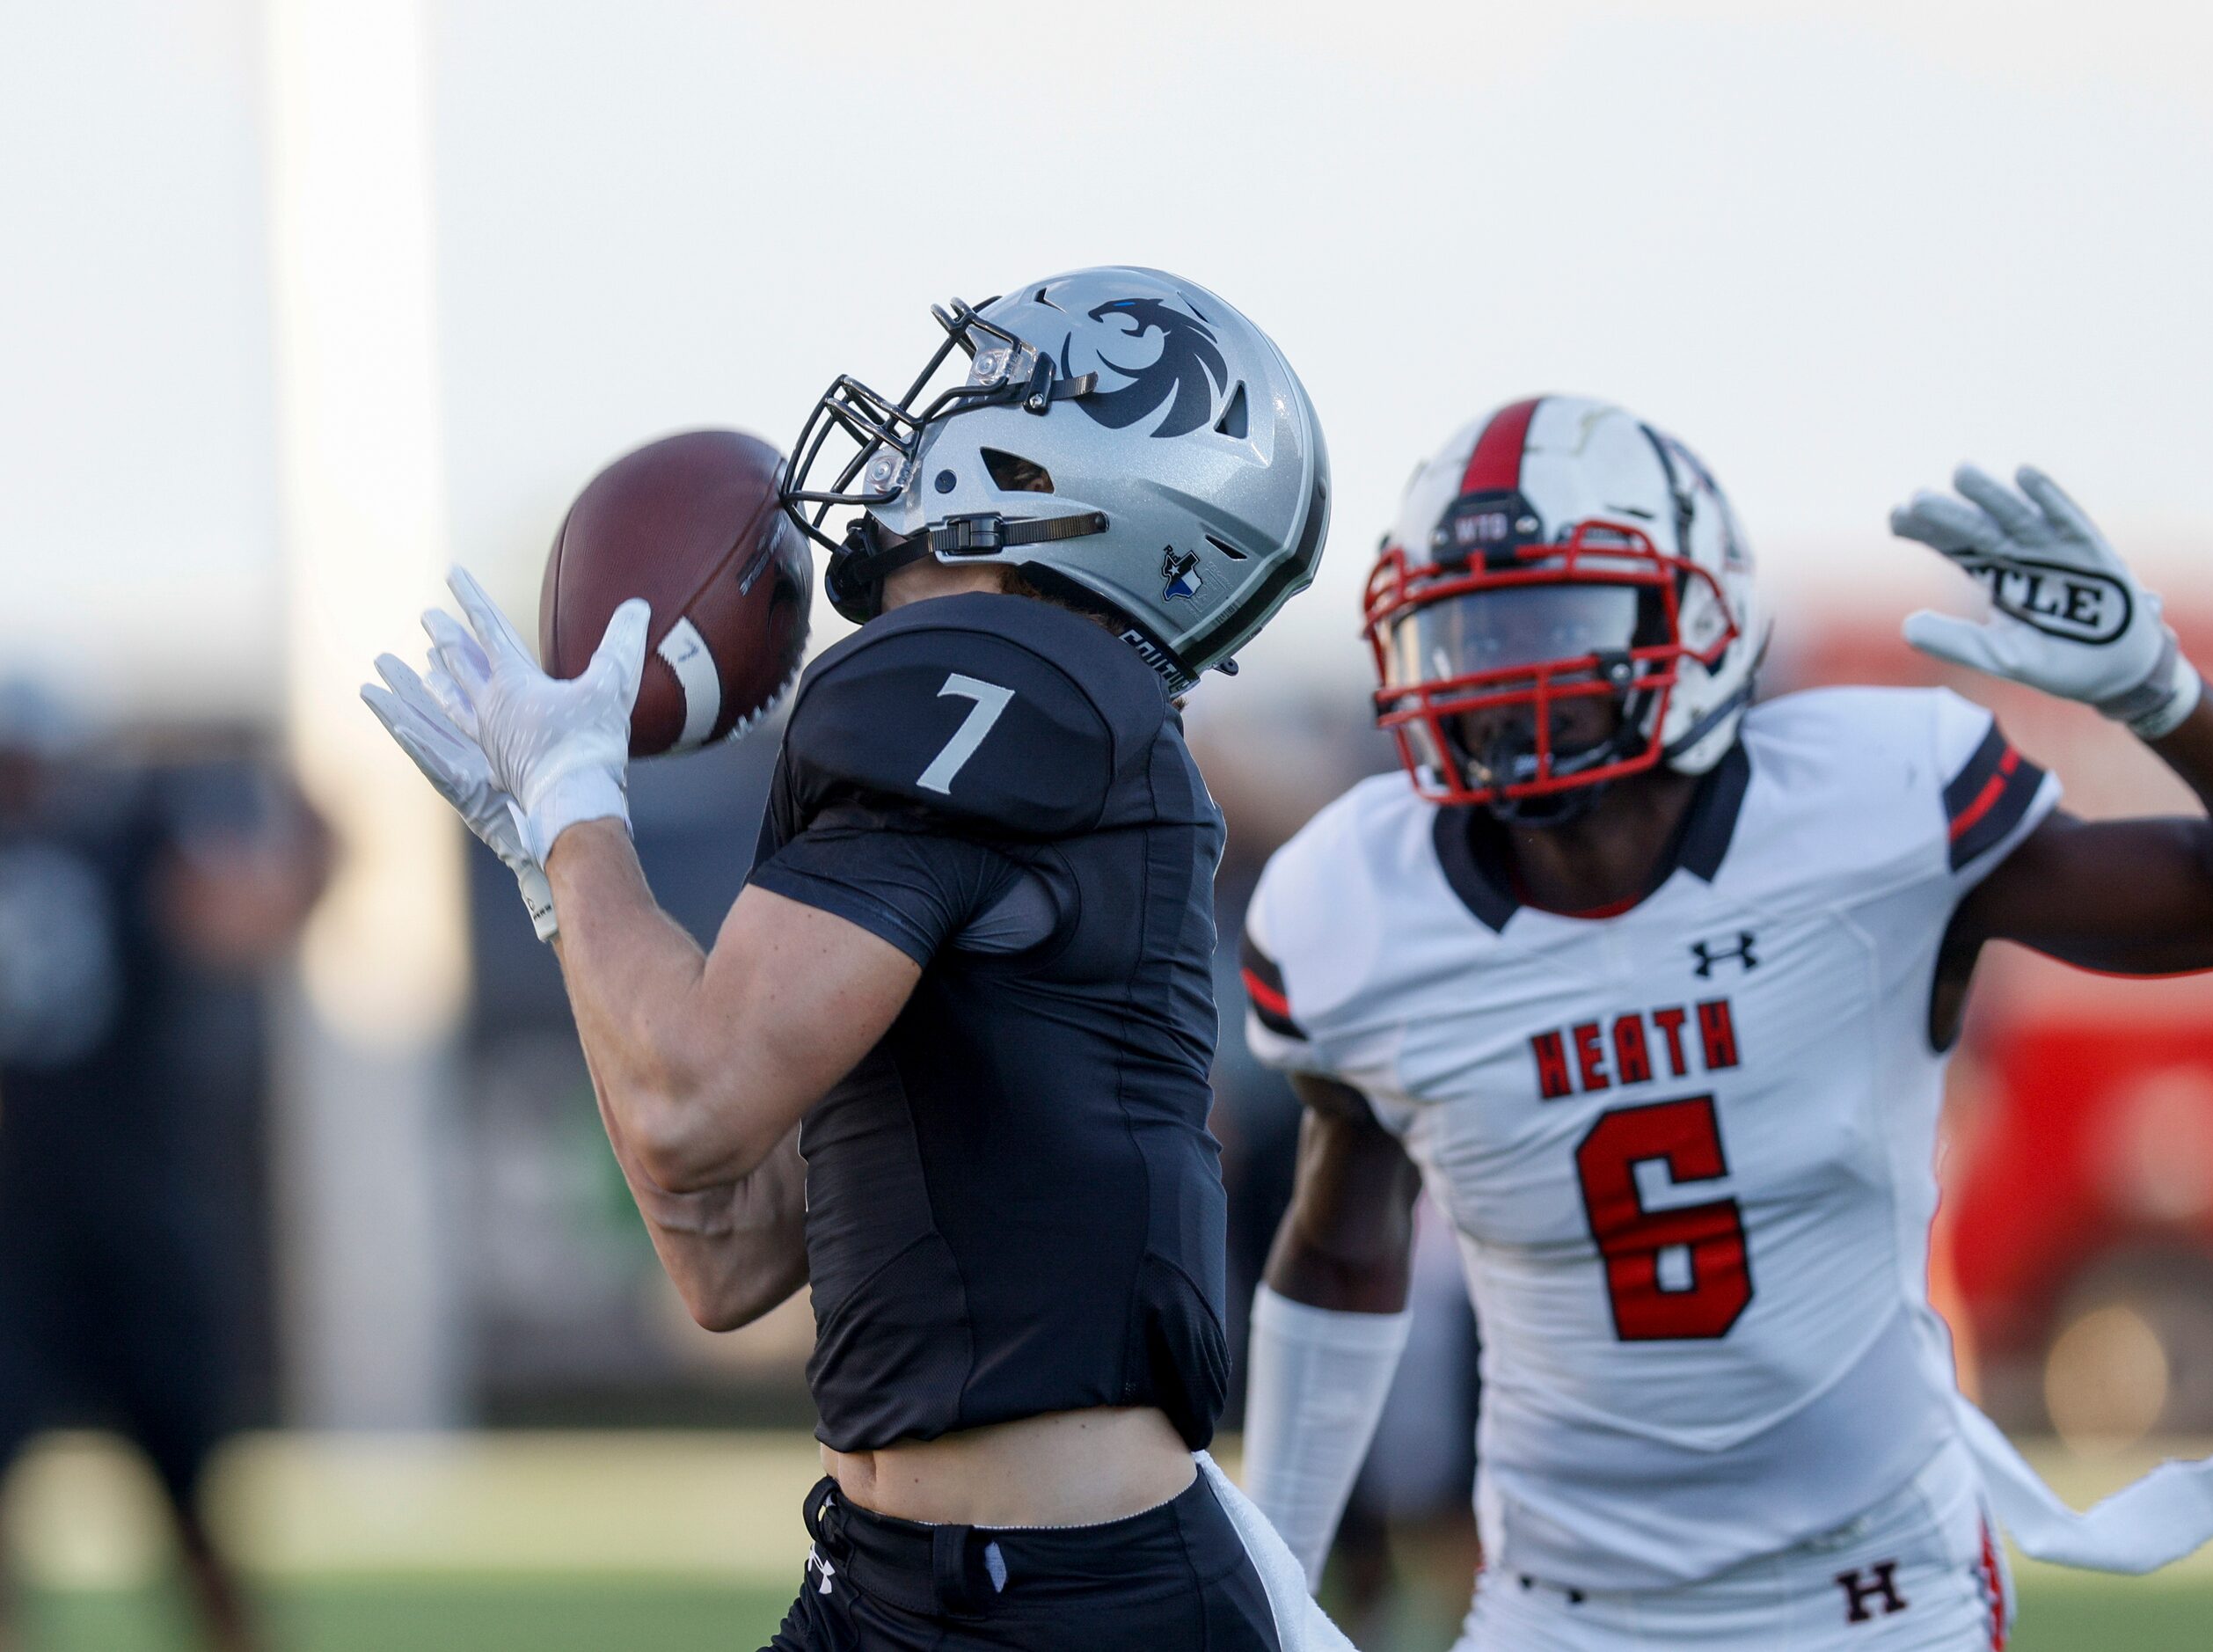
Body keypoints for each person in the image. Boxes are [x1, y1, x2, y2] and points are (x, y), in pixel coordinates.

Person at [1235, 396, 2213, 1650]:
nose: (1508, 680)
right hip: (1560, 1610)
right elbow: (1342, 1246)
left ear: (1701, 616)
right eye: (1463, 634)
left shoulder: (1868, 807)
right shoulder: (1360, 903)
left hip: (1882, 1598)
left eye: (1555, 623)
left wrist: (2164, 694)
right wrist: (1280, 1580)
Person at [364, 267, 1357, 1651]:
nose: (924, 421)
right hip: (890, 1583)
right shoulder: (1029, 722)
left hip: (1073, 1608)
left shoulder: (991, 676)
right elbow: (725, 1249)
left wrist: (582, 812)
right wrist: (556, 875)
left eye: (993, 386)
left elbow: (688, 1105)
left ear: (1085, 467)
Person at [0, 683, 324, 1652]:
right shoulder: (128, 843)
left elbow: (256, 909)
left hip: (101, 1230)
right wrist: (301, 807)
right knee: (192, 1517)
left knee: (194, 1517)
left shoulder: (130, 848)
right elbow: (270, 903)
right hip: (100, 1227)